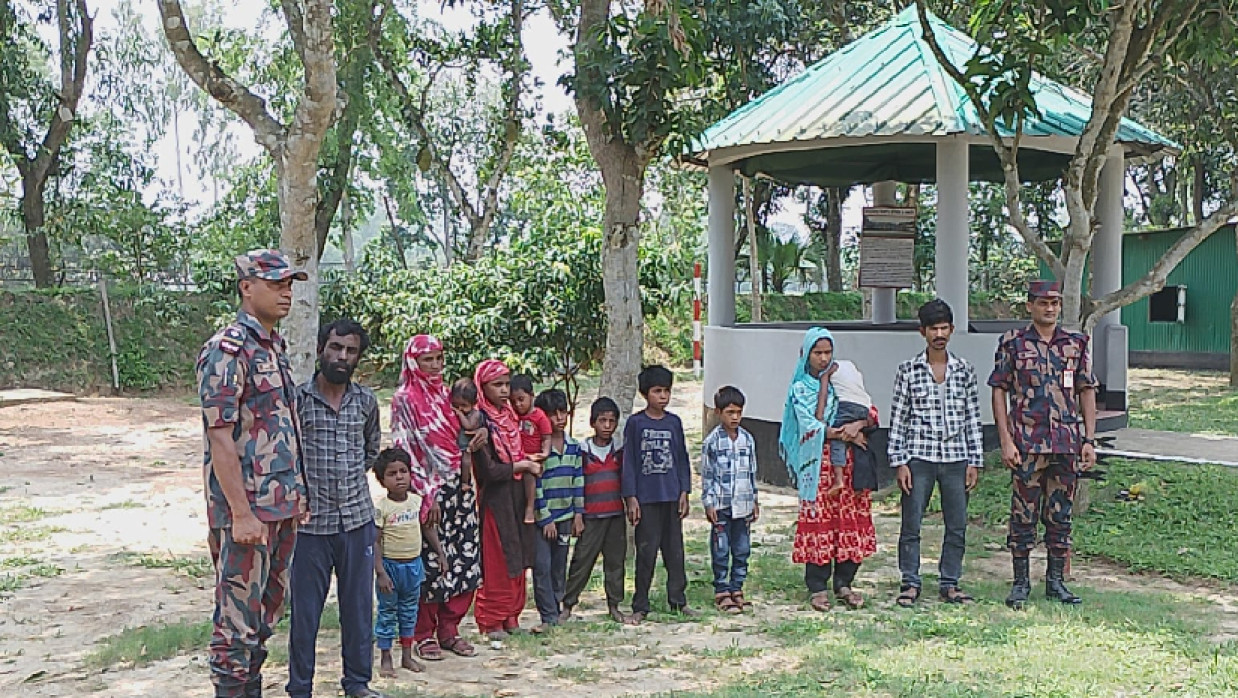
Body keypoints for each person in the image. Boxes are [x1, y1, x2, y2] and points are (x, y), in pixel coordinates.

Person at [196, 249, 308, 698]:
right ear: (247, 287)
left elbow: (284, 427)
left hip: (281, 505)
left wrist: (300, 495)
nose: (287, 292)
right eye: (277, 283)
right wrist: (241, 514)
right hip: (248, 514)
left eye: (290, 284)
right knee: (236, 622)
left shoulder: (273, 345)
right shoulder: (227, 350)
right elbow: (219, 438)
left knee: (265, 616)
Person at [288, 319, 386, 698]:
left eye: (350, 351)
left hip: (357, 521)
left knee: (359, 610)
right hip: (310, 526)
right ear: (321, 349)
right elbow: (288, 454)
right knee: (306, 615)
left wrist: (344, 483)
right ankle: (300, 688)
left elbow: (370, 450)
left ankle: (357, 684)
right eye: (335, 348)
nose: (342, 356)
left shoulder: (365, 401)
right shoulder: (298, 400)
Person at [989, 280, 1098, 609]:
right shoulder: (1014, 343)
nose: (1049, 308)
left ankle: (1056, 582)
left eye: (1054, 303)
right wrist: (1005, 440)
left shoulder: (1075, 344)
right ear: (1029, 306)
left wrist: (1089, 439)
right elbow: (999, 389)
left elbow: (1086, 390)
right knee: (1023, 515)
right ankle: (1021, 582)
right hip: (1026, 443)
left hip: (1066, 444)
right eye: (1042, 303)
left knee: (1060, 515)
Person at [390, 335, 482, 661]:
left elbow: (467, 433)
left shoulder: (449, 396)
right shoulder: (404, 399)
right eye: (427, 359)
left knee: (463, 558)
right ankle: (423, 633)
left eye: (438, 358)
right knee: (431, 562)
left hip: (460, 487)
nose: (434, 365)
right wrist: (425, 493)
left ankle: (450, 629)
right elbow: (404, 448)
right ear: (413, 361)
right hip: (426, 491)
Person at [888, 300, 984, 607]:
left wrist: (975, 460)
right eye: (933, 329)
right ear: (923, 332)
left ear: (952, 330)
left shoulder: (964, 370)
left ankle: (950, 582)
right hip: (919, 456)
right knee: (912, 522)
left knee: (956, 524)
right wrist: (899, 461)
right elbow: (899, 418)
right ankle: (910, 582)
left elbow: (972, 416)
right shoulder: (909, 370)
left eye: (944, 328)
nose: (939, 334)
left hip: (957, 456)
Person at [778, 328, 877, 612]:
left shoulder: (842, 379)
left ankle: (845, 583)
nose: (823, 358)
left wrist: (858, 426)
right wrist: (841, 434)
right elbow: (810, 425)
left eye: (827, 352)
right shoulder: (800, 389)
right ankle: (818, 587)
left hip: (850, 467)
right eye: (817, 353)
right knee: (820, 523)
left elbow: (868, 409)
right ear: (806, 354)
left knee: (850, 522)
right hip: (818, 468)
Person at [472, 359, 541, 640]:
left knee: (518, 553)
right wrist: (522, 466)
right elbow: (489, 470)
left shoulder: (510, 416)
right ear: (482, 387)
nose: (503, 391)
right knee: (498, 557)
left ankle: (512, 613)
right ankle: (492, 618)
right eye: (496, 385)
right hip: (495, 496)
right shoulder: (480, 420)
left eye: (506, 384)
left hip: (515, 493)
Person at [623, 364, 695, 624]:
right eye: (657, 391)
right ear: (645, 394)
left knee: (675, 552)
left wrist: (684, 491)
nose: (662, 396)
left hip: (672, 497)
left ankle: (678, 600)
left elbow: (682, 459)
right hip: (647, 499)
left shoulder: (674, 422)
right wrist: (630, 497)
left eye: (666, 391)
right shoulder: (635, 423)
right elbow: (629, 461)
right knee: (646, 552)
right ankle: (640, 604)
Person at [561, 397, 627, 624]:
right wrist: (577, 514)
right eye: (602, 421)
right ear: (592, 423)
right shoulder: (582, 450)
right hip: (591, 516)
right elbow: (575, 483)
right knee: (582, 560)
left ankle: (614, 605)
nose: (607, 426)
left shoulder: (620, 451)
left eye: (611, 421)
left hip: (615, 515)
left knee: (616, 562)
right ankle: (568, 603)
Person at [372, 448, 435, 678]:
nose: (399, 477)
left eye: (403, 471)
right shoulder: (381, 507)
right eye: (392, 473)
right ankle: (386, 657)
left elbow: (427, 529)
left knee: (410, 612)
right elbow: (375, 542)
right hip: (390, 568)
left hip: (413, 565)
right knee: (387, 612)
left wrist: (441, 553)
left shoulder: (417, 502)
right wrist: (380, 572)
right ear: (382, 480)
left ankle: (407, 656)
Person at [701, 386, 759, 615]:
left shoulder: (747, 439)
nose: (734, 417)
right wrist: (708, 502)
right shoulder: (712, 442)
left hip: (743, 504)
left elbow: (752, 471)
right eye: (730, 412)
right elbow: (707, 474)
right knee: (721, 548)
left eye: (738, 412)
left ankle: (737, 587)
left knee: (742, 548)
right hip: (722, 505)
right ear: (718, 412)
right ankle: (722, 589)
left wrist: (754, 499)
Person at [530, 388, 585, 632]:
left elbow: (578, 481)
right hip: (545, 518)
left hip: (566, 517)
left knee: (559, 564)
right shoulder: (540, 450)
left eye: (563, 413)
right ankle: (547, 614)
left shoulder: (574, 447)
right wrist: (545, 518)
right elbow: (536, 485)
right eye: (553, 414)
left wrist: (578, 514)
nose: (559, 419)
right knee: (542, 565)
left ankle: (558, 606)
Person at [823, 360, 876, 498]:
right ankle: (861, 485)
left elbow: (874, 421)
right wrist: (852, 433)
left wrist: (857, 426)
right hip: (863, 406)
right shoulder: (850, 367)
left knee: (839, 443)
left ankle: (839, 479)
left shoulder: (829, 370)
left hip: (848, 408)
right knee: (862, 445)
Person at [512, 374, 551, 525]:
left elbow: (547, 437)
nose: (517, 405)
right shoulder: (513, 416)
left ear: (531, 396)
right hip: (518, 455)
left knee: (529, 475)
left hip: (533, 456)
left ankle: (530, 508)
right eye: (513, 401)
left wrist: (544, 453)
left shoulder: (539, 416)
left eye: (521, 399)